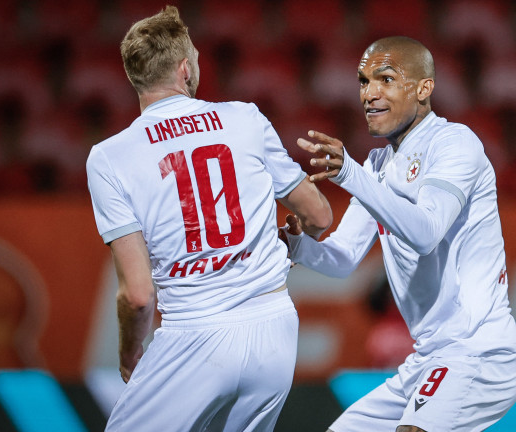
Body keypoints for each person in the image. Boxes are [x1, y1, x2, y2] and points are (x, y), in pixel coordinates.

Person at [86, 6, 332, 431]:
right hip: (274, 326)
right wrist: (290, 239)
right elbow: (319, 215)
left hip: (193, 334)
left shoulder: (109, 158)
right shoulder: (245, 118)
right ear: (185, 69)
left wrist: (129, 355)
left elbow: (138, 295)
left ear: (135, 77)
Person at [282, 36, 516, 432]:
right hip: (427, 360)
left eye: (386, 79)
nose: (369, 94)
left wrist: (350, 174)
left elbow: (426, 232)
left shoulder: (454, 143)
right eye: (364, 82)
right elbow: (343, 258)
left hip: (478, 352)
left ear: (424, 88)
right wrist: (295, 247)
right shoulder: (377, 166)